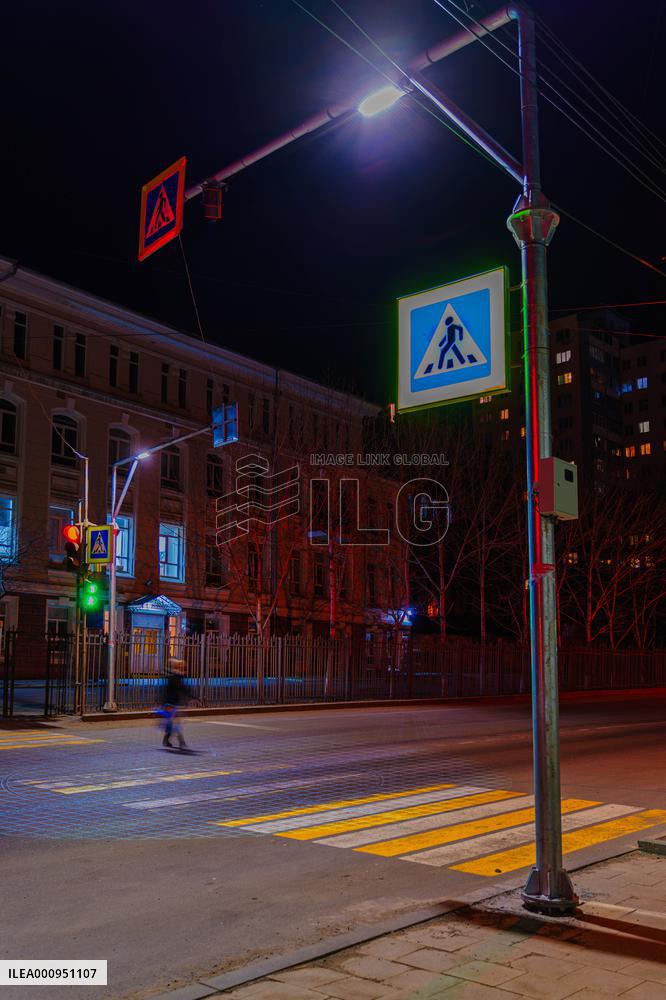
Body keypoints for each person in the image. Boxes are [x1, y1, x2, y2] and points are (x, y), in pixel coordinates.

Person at [160, 659, 190, 750]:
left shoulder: (178, 677)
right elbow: (167, 691)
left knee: (171, 723)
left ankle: (166, 740)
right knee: (176, 723)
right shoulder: (174, 677)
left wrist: (193, 697)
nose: (183, 667)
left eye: (183, 666)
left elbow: (184, 689)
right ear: (177, 666)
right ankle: (181, 742)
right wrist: (166, 704)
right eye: (181, 665)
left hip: (173, 703)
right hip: (170, 704)